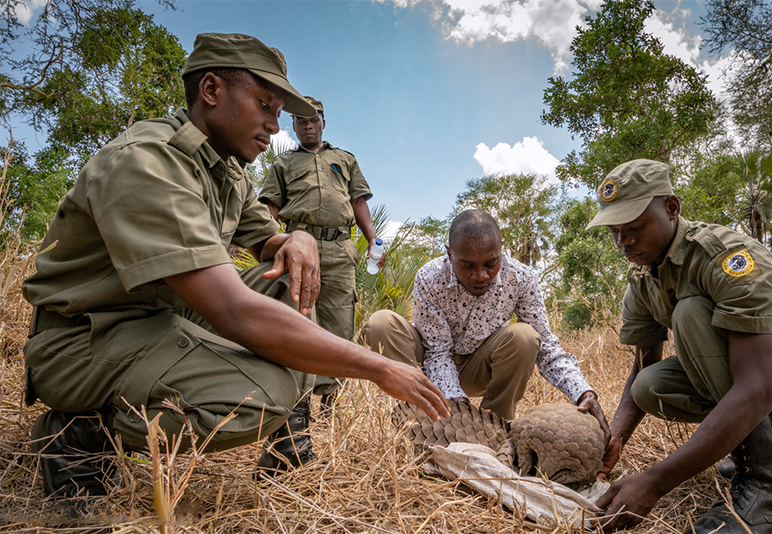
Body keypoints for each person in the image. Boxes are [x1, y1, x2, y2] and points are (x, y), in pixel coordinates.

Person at [22, 32, 449, 503]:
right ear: (211, 91)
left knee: (294, 275)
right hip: (85, 339)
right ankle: (81, 433)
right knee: (263, 397)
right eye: (264, 105)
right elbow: (233, 310)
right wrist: (379, 367)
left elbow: (267, 239)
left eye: (278, 113)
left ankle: (289, 442)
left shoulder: (226, 171)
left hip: (161, 319)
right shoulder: (149, 163)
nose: (273, 125)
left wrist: (298, 237)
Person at [587, 159, 772, 533]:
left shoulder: (721, 256)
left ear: (672, 207)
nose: (624, 243)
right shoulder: (642, 278)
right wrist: (614, 438)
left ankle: (765, 488)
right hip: (762, 376)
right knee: (649, 385)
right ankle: (770, 436)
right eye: (615, 232)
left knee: (690, 312)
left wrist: (656, 480)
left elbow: (756, 388)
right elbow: (643, 365)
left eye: (635, 227)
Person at [363, 209, 610, 430]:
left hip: (481, 367)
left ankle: (495, 428)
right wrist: (457, 406)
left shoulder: (521, 278)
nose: (480, 276)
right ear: (449, 254)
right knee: (381, 323)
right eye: (467, 265)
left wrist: (582, 392)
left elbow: (547, 349)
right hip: (430, 364)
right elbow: (437, 354)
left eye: (491, 264)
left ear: (502, 253)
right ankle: (424, 419)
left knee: (525, 336)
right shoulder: (430, 277)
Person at [260, 97, 382, 406]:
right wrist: (268, 244)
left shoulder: (345, 159)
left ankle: (330, 405)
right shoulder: (283, 163)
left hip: (341, 249)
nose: (308, 125)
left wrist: (371, 240)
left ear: (323, 122)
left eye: (313, 119)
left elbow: (358, 202)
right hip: (298, 246)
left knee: (340, 322)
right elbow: (270, 207)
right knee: (297, 318)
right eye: (301, 121)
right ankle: (296, 402)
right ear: (294, 126)